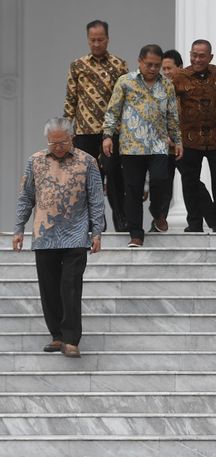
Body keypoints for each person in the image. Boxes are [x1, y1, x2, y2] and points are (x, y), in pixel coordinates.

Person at [13, 117, 105, 358]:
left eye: (62, 142)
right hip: (44, 235)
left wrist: (97, 232)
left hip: (75, 235)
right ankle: (57, 335)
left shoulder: (88, 162)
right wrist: (19, 229)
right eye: (53, 143)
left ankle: (71, 339)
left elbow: (96, 199)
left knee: (70, 287)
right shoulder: (35, 161)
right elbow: (26, 197)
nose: (58, 147)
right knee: (49, 288)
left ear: (72, 138)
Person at [102, 44, 182, 248]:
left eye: (157, 65)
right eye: (149, 65)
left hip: (158, 144)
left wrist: (177, 140)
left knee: (161, 179)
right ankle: (136, 234)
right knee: (133, 190)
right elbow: (113, 111)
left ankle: (158, 213)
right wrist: (108, 136)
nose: (153, 69)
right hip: (131, 146)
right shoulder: (125, 82)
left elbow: (172, 115)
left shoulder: (167, 85)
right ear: (140, 61)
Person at [63, 20, 128, 232]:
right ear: (87, 40)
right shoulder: (78, 65)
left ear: (107, 39)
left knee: (116, 176)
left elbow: (125, 100)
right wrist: (66, 129)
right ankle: (95, 223)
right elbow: (71, 98)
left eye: (101, 39)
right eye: (93, 40)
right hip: (84, 131)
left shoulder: (120, 65)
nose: (97, 44)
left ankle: (122, 221)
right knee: (89, 180)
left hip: (112, 132)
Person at [171, 39, 216, 233]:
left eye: (202, 55)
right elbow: (165, 101)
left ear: (210, 57)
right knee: (189, 181)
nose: (197, 59)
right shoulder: (179, 76)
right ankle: (194, 222)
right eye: (194, 55)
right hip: (190, 139)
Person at [152, 49, 183, 232]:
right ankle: (159, 221)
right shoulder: (159, 88)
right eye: (163, 69)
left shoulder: (186, 87)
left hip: (182, 145)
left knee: (192, 183)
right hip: (163, 147)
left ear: (180, 67)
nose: (166, 72)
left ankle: (212, 218)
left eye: (169, 68)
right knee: (162, 184)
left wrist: (177, 138)